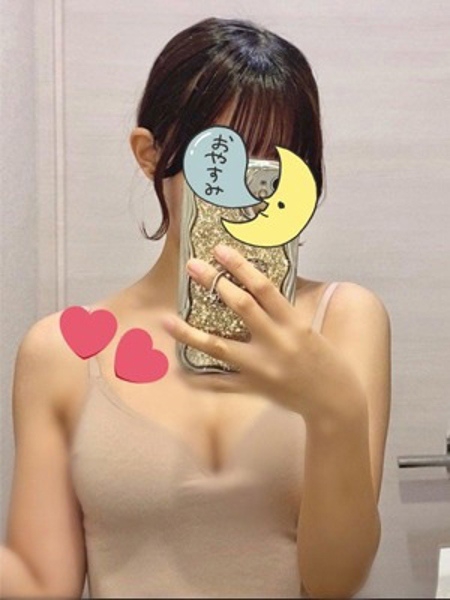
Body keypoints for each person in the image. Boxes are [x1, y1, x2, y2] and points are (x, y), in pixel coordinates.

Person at [1, 16, 391, 599]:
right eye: (223, 161)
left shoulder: (343, 320)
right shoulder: (61, 350)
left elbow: (335, 582)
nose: (251, 195)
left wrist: (334, 410)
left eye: (279, 165)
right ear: (150, 153)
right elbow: (41, 584)